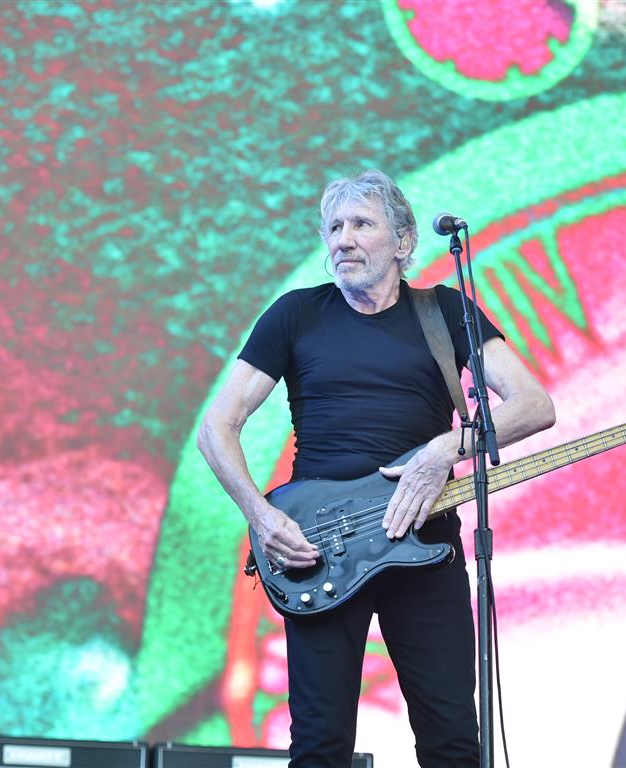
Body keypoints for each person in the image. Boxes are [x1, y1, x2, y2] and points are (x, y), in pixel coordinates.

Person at [197, 169, 555, 767]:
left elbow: (534, 405)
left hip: (426, 543)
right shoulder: (296, 315)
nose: (343, 239)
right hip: (319, 547)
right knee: (320, 743)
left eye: (361, 224)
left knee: (451, 742)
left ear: (403, 242)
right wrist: (260, 517)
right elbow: (217, 428)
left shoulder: (445, 312)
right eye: (333, 227)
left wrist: (447, 448)